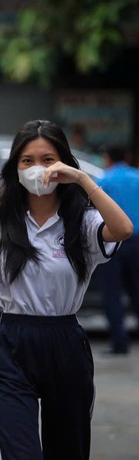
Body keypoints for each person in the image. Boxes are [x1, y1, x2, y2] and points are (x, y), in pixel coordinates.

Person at [0, 120, 133, 460]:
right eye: (27, 160)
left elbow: (124, 228)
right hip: (10, 343)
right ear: (15, 166)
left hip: (65, 341)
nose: (37, 169)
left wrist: (84, 179)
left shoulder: (83, 221)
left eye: (48, 159)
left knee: (68, 450)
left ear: (64, 163)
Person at [97, 144, 139, 355]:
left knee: (112, 294)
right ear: (128, 156)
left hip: (113, 242)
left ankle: (120, 343)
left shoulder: (103, 181)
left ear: (107, 157)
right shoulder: (138, 178)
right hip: (138, 241)